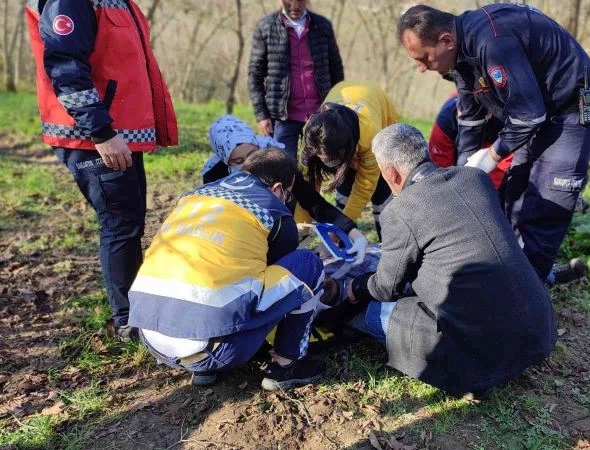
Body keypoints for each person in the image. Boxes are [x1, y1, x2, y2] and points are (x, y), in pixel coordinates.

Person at [341, 123, 556, 396]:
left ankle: (464, 370)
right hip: (535, 330)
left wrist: (354, 287)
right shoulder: (475, 179)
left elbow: (385, 288)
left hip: (479, 351)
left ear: (391, 173)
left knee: (370, 315)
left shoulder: (401, 210)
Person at [397, 4, 590, 282]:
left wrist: (493, 155)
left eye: (424, 58)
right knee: (515, 197)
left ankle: (526, 301)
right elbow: (471, 121)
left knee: (544, 208)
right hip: (537, 115)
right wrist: (464, 179)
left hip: (572, 113)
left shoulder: (492, 44)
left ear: (445, 40)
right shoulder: (461, 59)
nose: (422, 68)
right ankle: (511, 280)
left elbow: (529, 115)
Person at [24, 0, 179, 339]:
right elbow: (65, 66)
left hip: (120, 133)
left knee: (131, 220)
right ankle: (127, 320)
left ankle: (137, 305)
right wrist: (102, 132)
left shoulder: (122, 2)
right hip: (97, 137)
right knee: (120, 223)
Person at [128, 149, 327, 389]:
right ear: (277, 189)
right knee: (308, 264)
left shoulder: (195, 194)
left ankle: (202, 369)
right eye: (288, 193)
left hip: (151, 335)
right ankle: (287, 365)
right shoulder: (274, 211)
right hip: (217, 350)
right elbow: (278, 279)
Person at [202, 115, 369, 263]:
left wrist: (352, 232)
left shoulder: (273, 163)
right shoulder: (214, 178)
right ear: (225, 160)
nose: (247, 163)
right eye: (238, 161)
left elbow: (313, 201)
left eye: (252, 154)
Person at [247, 0, 344, 161]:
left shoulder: (322, 26)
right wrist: (261, 115)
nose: (295, 6)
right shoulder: (266, 27)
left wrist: (335, 107)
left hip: (319, 114)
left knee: (319, 168)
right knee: (282, 165)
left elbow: (336, 69)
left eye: (300, 1)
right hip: (283, 116)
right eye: (289, 1)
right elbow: (255, 74)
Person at [300, 81, 398, 239]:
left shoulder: (372, 136)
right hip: (344, 98)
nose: (329, 165)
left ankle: (391, 242)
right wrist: (302, 227)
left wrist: (341, 229)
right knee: (344, 190)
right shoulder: (311, 134)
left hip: (379, 113)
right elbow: (305, 186)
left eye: (334, 162)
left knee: (380, 192)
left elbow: (363, 188)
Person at [429, 94, 509, 189]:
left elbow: (497, 174)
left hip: (493, 137)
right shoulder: (445, 121)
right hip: (453, 134)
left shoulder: (504, 125)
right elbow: (438, 169)